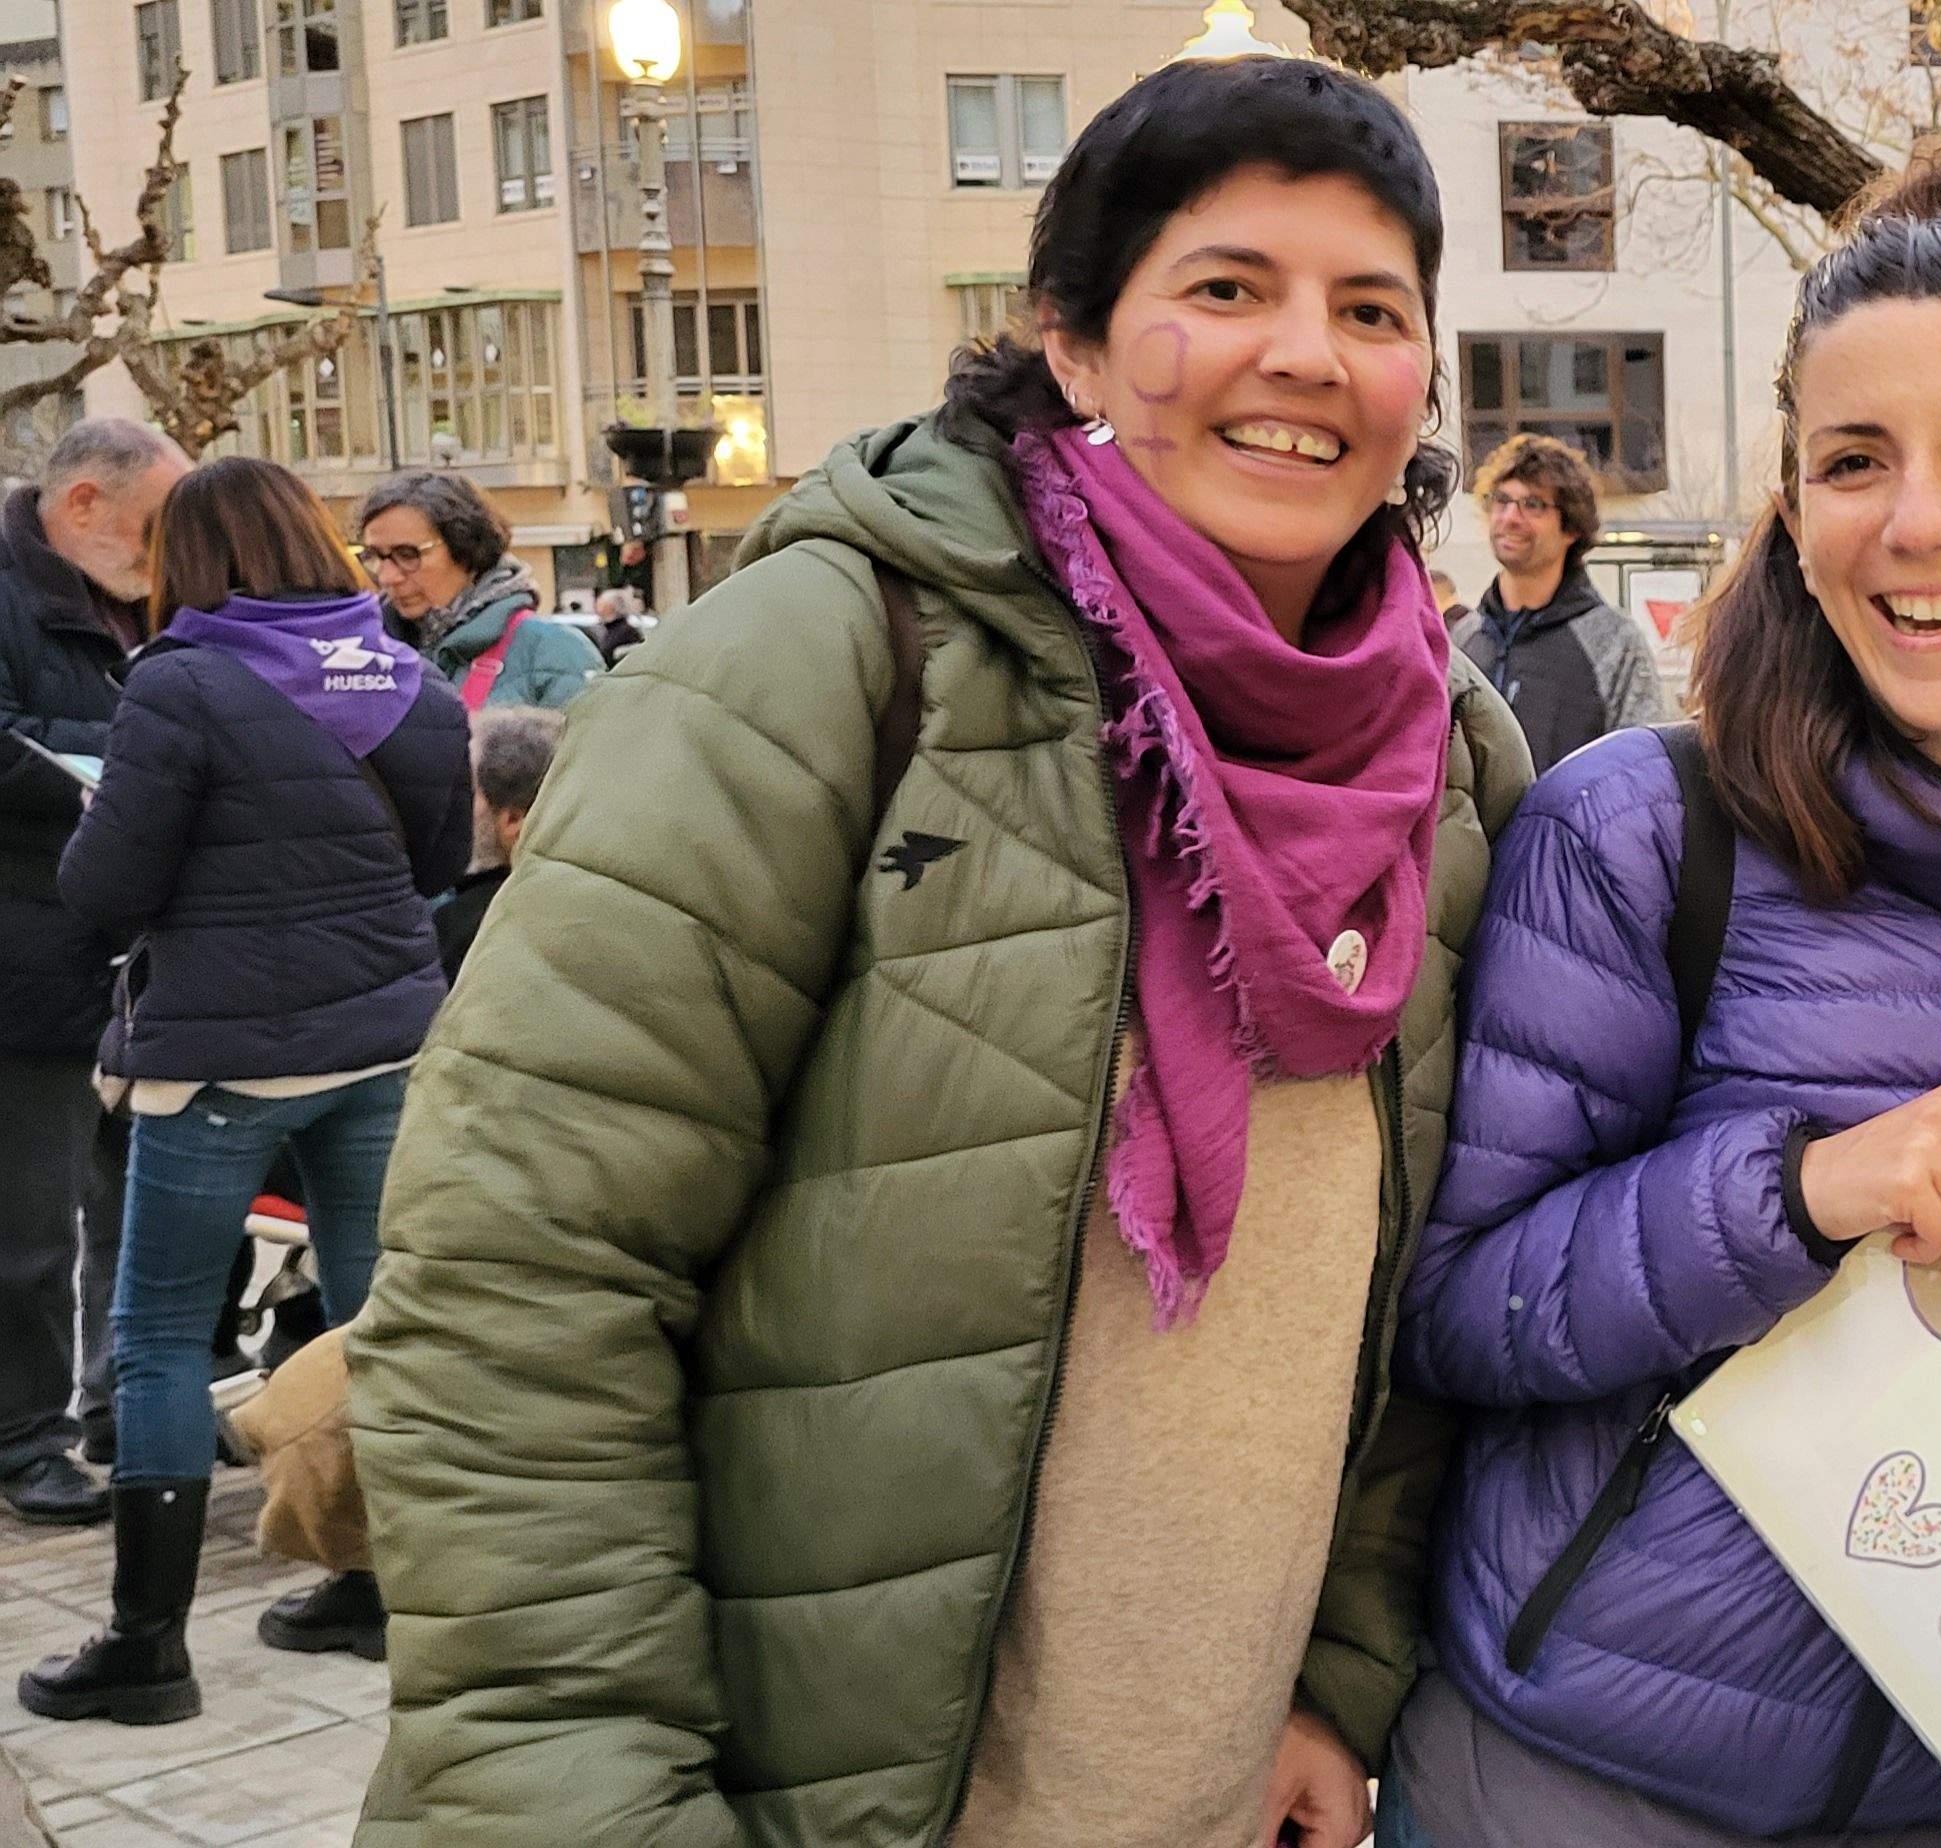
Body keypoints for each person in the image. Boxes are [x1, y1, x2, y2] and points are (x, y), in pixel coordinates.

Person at [342, 56, 1530, 1848]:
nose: (1307, 355)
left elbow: (1418, 1294)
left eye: (1371, 309)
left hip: (1205, 1786)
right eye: (1227, 288)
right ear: (1072, 341)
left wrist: (1339, 1674)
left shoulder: (1450, 764)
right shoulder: (813, 667)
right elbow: (518, 1284)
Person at [1385, 146, 1941, 1848]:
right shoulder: (1640, 830)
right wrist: (1791, 1191)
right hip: (1586, 1780)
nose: (1917, 522)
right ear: (1795, 509)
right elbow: (1460, 1305)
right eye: (1854, 462)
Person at [18, 457, 471, 1725]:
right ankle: (375, 1588)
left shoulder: (182, 683)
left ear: (197, 559)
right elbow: (439, 858)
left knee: (160, 1335)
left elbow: (104, 887)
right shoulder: (403, 673)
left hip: (221, 1059)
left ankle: (146, 1650)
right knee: (377, 1316)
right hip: (384, 1041)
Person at [0, 418, 188, 1530]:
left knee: (139, 1205)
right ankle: (26, 1438)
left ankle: (126, 1407)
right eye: (154, 524)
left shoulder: (139, 593)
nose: (166, 550)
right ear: (81, 504)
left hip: (140, 956)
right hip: (29, 954)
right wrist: (136, 757)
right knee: (30, 1228)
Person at [1454, 432, 1672, 769]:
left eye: (1533, 504)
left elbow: (1641, 773)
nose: (1510, 517)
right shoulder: (1462, 640)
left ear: (1571, 527)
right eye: (1502, 500)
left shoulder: (1614, 644)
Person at [357, 471, 600, 710]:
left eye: (407, 555)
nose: (387, 577)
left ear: (465, 550)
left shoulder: (553, 653)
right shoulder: (362, 654)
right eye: (374, 555)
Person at [431, 704, 559, 980]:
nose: (451, 807)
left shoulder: (464, 933)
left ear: (513, 820)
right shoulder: (587, 909)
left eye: (467, 792)